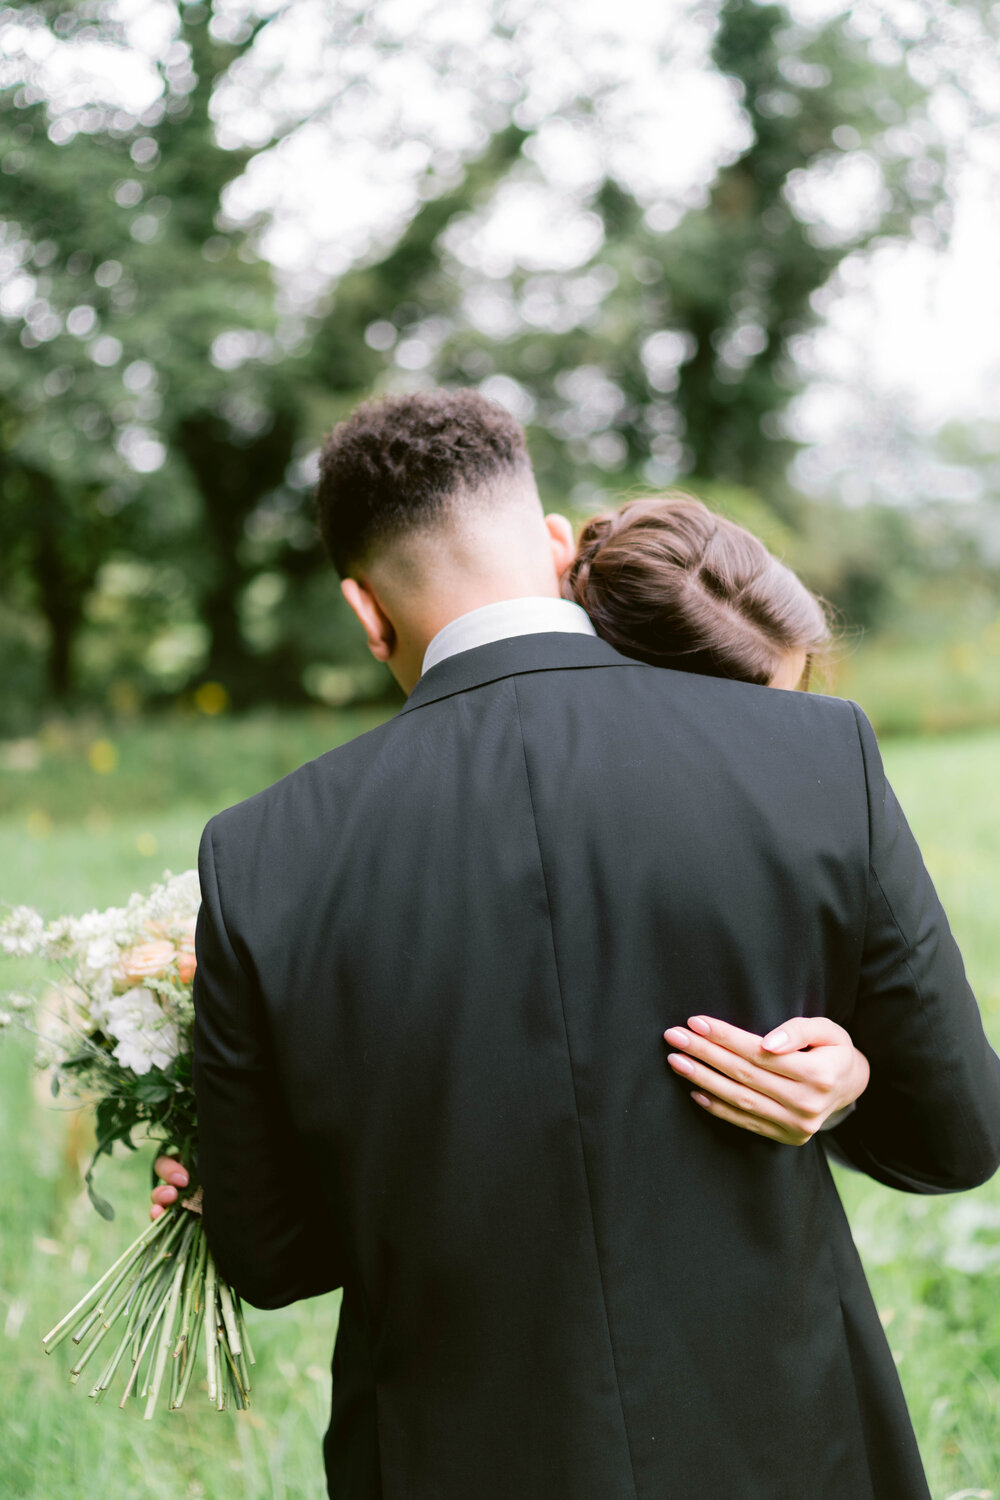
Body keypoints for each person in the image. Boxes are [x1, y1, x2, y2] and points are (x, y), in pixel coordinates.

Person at [154, 389, 1000, 1500]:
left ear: (366, 612)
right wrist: (838, 1089)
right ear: (555, 547)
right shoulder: (815, 752)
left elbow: (268, 1258)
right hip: (789, 1444)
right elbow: (959, 1136)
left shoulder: (260, 853)